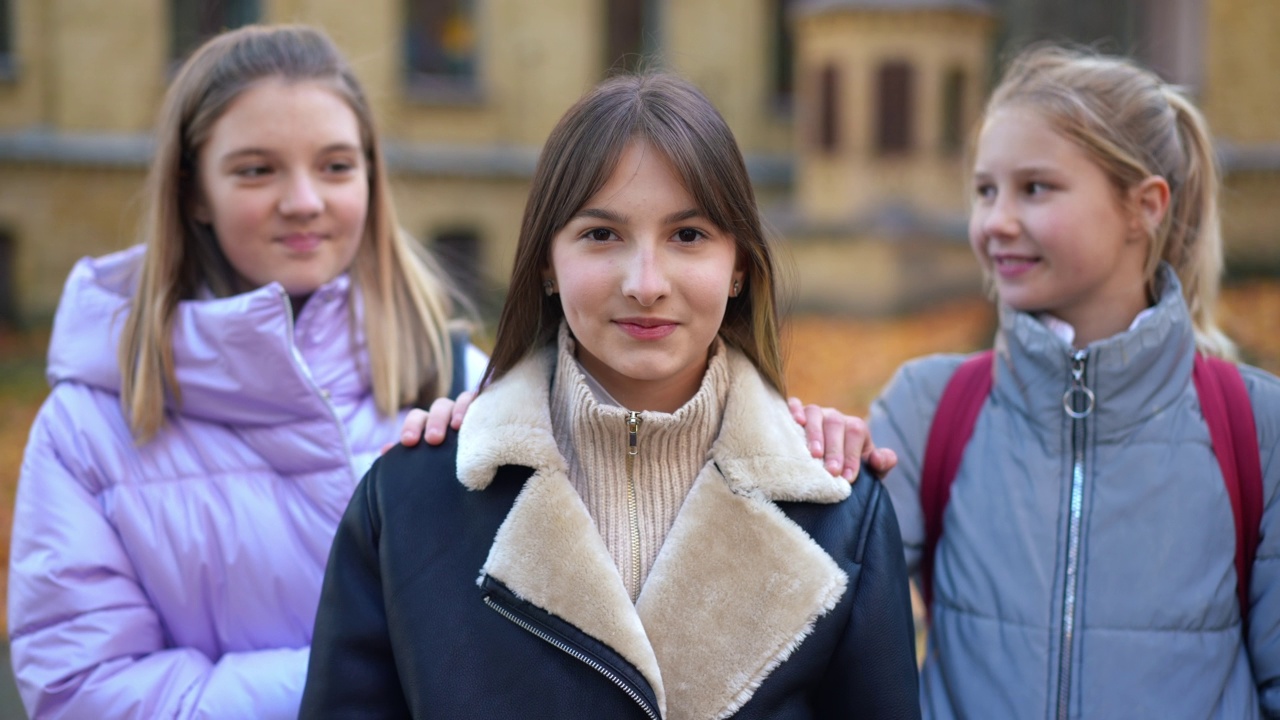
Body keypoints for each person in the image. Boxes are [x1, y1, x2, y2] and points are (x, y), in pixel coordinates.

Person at [300, 73, 921, 719]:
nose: (645, 283)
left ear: (740, 265)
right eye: (602, 234)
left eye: (688, 236)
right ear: (546, 260)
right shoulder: (411, 499)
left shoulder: (842, 516)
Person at [6, 25, 489, 720]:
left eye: (335, 166)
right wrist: (354, 682)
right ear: (195, 191)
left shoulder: (455, 381)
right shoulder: (89, 426)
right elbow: (84, 691)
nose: (303, 201)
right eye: (257, 170)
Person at [869, 45, 1280, 718]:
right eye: (984, 190)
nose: (995, 221)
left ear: (1143, 207)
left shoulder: (1258, 429)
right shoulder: (927, 406)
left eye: (1035, 188)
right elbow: (821, 618)